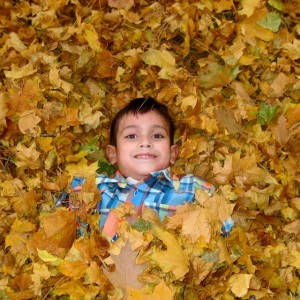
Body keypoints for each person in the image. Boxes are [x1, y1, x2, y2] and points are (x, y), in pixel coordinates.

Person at [63, 97, 234, 241]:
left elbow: (227, 236)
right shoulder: (92, 188)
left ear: (173, 153)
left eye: (157, 136)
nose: (145, 142)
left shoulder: (194, 189)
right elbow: (59, 235)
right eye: (132, 136)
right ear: (112, 154)